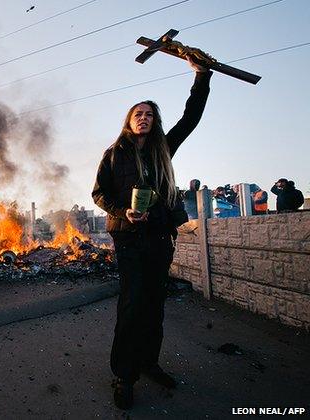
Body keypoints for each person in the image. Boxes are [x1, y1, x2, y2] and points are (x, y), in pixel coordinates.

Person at [92, 58, 211, 409]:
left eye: (149, 114)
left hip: (160, 237)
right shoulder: (113, 155)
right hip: (128, 238)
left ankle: (148, 362)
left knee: (154, 305)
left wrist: (202, 77)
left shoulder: (164, 149)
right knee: (131, 305)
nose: (144, 117)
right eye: (137, 114)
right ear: (129, 122)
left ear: (155, 121)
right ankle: (124, 375)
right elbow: (99, 194)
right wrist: (122, 212)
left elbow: (191, 117)